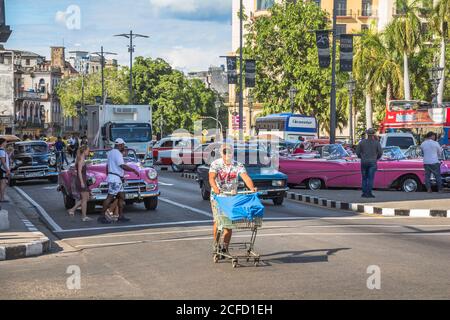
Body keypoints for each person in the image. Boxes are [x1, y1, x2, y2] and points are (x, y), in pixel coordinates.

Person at [209, 144, 257, 255]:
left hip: (231, 197)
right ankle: (216, 245)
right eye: (225, 151)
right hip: (218, 197)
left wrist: (252, 188)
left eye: (229, 152)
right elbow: (211, 178)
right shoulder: (216, 164)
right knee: (218, 221)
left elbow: (246, 177)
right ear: (221, 153)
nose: (227, 154)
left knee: (229, 223)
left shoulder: (238, 165)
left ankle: (225, 248)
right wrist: (216, 188)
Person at [99, 138, 139, 224]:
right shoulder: (117, 153)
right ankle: (101, 216)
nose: (124, 147)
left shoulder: (110, 152)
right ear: (120, 145)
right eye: (123, 145)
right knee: (110, 197)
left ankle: (120, 216)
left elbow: (107, 166)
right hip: (115, 179)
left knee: (121, 196)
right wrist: (133, 170)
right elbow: (122, 165)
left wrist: (110, 175)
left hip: (115, 178)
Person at [68, 145, 92, 222]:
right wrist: (82, 182)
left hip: (82, 180)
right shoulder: (81, 159)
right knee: (84, 199)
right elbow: (79, 172)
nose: (89, 152)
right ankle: (84, 217)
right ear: (84, 151)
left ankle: (72, 209)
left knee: (86, 198)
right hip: (81, 180)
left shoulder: (81, 159)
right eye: (88, 150)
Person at [356, 128, 382, 198]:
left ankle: (364, 193)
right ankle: (369, 193)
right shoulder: (376, 143)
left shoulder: (362, 142)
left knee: (364, 178)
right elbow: (380, 153)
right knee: (370, 178)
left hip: (364, 162)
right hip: (373, 162)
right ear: (373, 134)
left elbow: (357, 152)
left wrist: (361, 157)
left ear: (367, 134)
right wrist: (376, 158)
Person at [0, 138, 11, 203]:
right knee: (3, 184)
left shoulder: (2, 151)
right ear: (2, 143)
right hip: (2, 169)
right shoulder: (1, 151)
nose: (6, 143)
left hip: (2, 169)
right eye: (5, 142)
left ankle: (1, 197)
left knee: (2, 183)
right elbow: (3, 162)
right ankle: (2, 198)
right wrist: (7, 170)